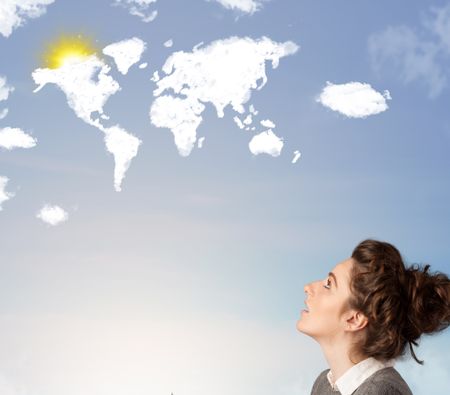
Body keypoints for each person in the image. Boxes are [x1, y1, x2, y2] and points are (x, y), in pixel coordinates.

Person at [296, 239, 450, 395]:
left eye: (329, 284)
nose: (308, 287)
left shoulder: (381, 391)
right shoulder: (324, 384)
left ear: (354, 319)